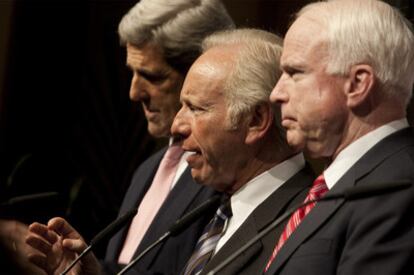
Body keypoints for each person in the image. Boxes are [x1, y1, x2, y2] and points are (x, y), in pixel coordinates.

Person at [25, 0, 234, 274]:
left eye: (153, 77)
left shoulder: (225, 175)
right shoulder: (147, 170)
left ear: (204, 73)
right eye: (132, 73)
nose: (134, 93)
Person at [264, 0, 414, 274]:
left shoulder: (400, 190)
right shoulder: (343, 183)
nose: (276, 93)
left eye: (294, 73)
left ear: (357, 84)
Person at [170, 28, 315, 275]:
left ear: (255, 120)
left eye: (196, 109)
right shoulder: (214, 211)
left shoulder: (308, 222)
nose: (176, 126)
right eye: (182, 106)